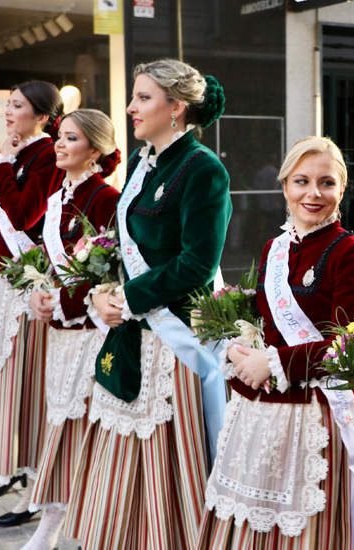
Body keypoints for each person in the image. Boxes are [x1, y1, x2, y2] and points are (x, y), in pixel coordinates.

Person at [64, 58, 230, 549]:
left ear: (176, 108)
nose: (131, 108)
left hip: (174, 334)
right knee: (124, 457)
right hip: (133, 326)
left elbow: (198, 263)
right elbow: (124, 242)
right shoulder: (140, 162)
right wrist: (105, 289)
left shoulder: (204, 169)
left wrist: (129, 296)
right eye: (135, 96)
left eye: (143, 98)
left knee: (166, 460)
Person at [197, 136, 354, 549]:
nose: (313, 194)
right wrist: (235, 347)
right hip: (260, 412)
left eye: (326, 183)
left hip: (314, 414)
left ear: (341, 190)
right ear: (284, 187)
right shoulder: (273, 249)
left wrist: (274, 362)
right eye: (302, 181)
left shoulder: (352, 253)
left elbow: (349, 346)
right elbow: (263, 322)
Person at [17, 109, 121, 550]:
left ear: (94, 150)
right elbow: (49, 259)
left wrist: (62, 300)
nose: (58, 145)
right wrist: (37, 292)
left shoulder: (104, 199)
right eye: (59, 137)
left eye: (70, 139)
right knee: (58, 421)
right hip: (59, 333)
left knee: (81, 428)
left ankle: (68, 524)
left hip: (91, 332)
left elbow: (110, 273)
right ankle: (56, 519)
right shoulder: (58, 195)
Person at [0, 80, 63, 527]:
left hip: (31, 287)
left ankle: (39, 486)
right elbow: (2, 218)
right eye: (7, 103)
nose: (8, 110)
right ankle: (17, 471)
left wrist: (2, 164)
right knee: (8, 384)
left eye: (18, 105)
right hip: (5, 284)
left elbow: (26, 216)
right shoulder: (21, 155)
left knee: (30, 388)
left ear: (42, 116)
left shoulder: (46, 156)